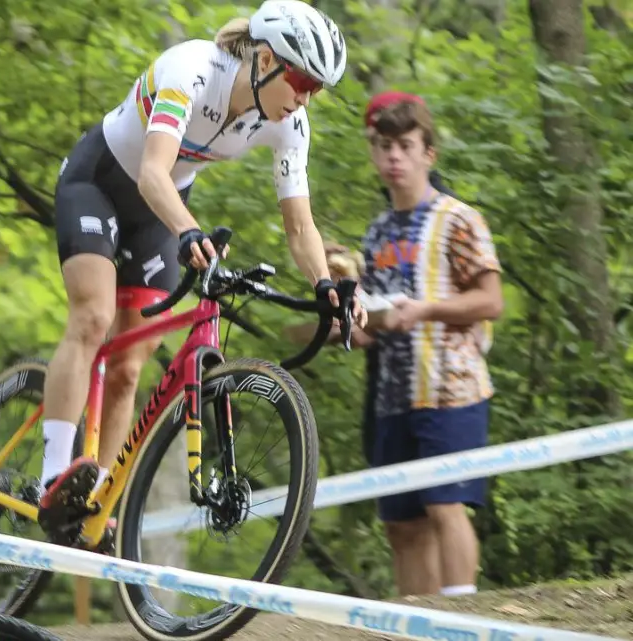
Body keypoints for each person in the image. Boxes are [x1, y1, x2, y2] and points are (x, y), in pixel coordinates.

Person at [38, 0, 366, 536]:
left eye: (317, 90)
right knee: (93, 320)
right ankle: (51, 473)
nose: (306, 98)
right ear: (265, 61)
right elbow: (151, 172)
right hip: (100, 182)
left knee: (129, 364)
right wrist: (189, 229)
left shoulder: (290, 124)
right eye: (303, 81)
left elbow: (301, 229)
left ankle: (94, 496)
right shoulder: (192, 69)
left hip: (160, 211)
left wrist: (325, 286)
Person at [358, 91, 504, 597]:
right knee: (401, 525)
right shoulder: (376, 234)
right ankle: (415, 626)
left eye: (404, 145)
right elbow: (371, 322)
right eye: (383, 146)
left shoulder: (459, 219)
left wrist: (427, 310)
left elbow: (490, 301)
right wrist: (347, 329)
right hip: (392, 396)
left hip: (452, 390)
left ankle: (462, 618)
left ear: (428, 153)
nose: (393, 156)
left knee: (446, 505)